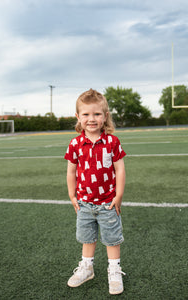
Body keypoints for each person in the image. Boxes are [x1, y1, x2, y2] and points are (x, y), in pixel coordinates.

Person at [64, 88, 126, 295]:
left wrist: (118, 196)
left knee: (111, 239)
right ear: (78, 117)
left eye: (97, 114)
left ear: (105, 116)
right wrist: (72, 195)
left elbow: (120, 169)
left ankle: (114, 270)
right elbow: (71, 171)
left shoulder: (112, 141)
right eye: (86, 114)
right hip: (84, 202)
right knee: (87, 237)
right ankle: (87, 268)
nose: (92, 119)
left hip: (107, 202)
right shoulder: (75, 144)